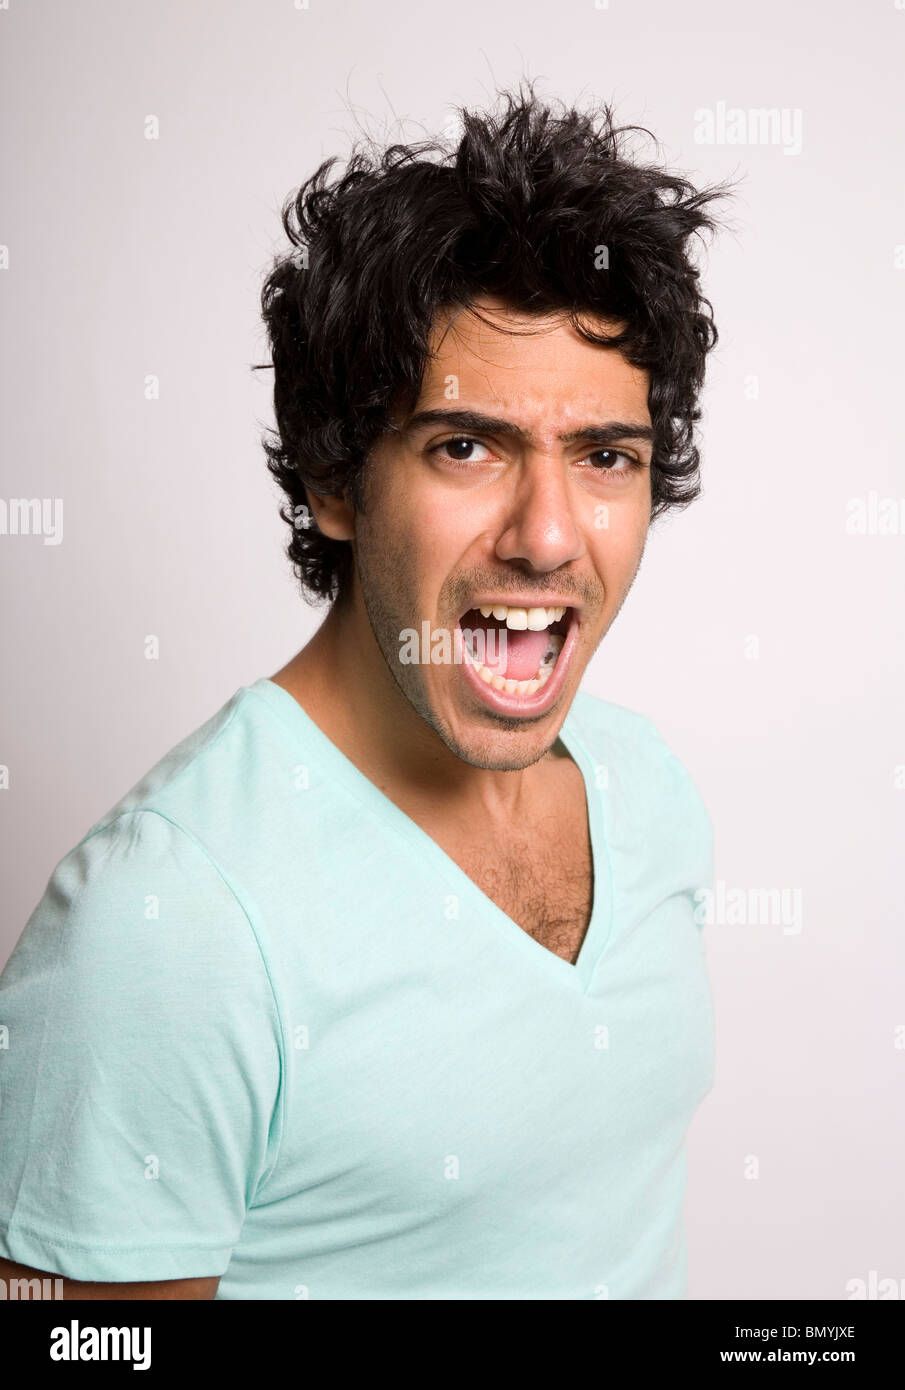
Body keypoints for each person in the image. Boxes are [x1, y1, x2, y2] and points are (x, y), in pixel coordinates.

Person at [0, 85, 730, 1300]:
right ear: (335, 478)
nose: (548, 536)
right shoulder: (168, 922)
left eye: (604, 457)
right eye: (465, 446)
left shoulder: (647, 787)